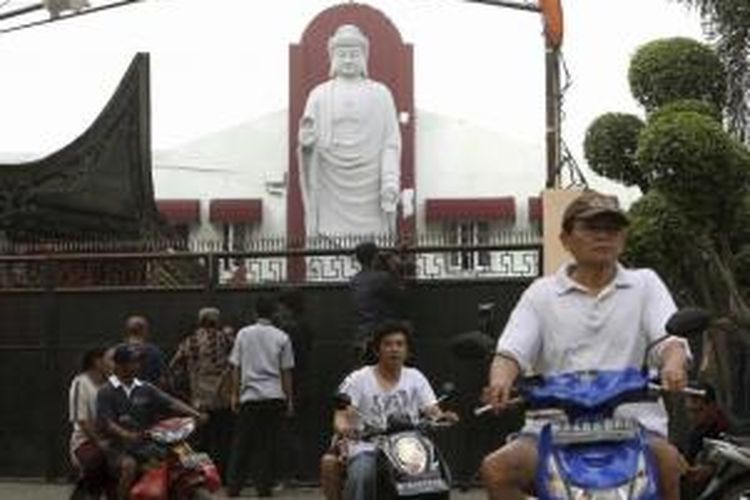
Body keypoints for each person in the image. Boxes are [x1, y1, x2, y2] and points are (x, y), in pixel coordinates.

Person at [480, 190, 691, 500]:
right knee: (496, 470)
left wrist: (673, 364)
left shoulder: (645, 284)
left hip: (634, 426)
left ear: (623, 239)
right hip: (551, 429)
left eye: (612, 229)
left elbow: (670, 340)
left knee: (670, 464)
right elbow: (511, 352)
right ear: (566, 239)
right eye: (591, 228)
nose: (603, 236)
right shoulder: (541, 294)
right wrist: (500, 381)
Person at [321, 320, 458, 500]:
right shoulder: (358, 379)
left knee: (439, 470)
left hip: (409, 446)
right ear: (377, 350)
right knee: (362, 474)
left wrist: (443, 417)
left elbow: (432, 410)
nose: (394, 349)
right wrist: (346, 428)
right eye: (388, 344)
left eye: (400, 344)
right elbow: (341, 414)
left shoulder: (416, 377)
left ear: (407, 350)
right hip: (368, 445)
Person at [297, 23, 401, 236]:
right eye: (342, 54)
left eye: (354, 54)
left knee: (374, 244)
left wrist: (390, 181)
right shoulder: (319, 95)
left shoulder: (381, 94)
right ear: (333, 57)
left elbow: (390, 142)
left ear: (364, 57)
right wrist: (307, 145)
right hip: (330, 187)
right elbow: (307, 140)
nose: (348, 60)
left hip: (370, 186)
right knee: (328, 247)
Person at [96, 344, 207, 500]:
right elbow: (107, 422)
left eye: (138, 361)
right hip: (119, 447)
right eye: (133, 361)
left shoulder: (145, 387)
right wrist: (126, 434)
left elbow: (171, 402)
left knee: (178, 460)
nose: (138, 365)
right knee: (130, 467)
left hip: (147, 445)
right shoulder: (106, 391)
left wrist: (196, 414)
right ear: (120, 365)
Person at [226, 296, 295, 498]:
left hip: (250, 397)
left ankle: (234, 487)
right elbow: (286, 372)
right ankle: (264, 488)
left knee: (242, 443)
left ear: (255, 313)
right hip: (274, 396)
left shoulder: (243, 334)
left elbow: (236, 367)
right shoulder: (282, 337)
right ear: (274, 313)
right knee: (267, 444)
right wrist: (289, 400)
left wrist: (234, 394)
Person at [169, 307, 235, 481]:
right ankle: (222, 476)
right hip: (222, 398)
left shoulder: (189, 341)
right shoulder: (225, 339)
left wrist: (183, 385)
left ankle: (200, 476)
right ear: (217, 320)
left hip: (198, 399)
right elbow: (237, 360)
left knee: (199, 441)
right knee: (222, 438)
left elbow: (174, 365)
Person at [349, 241, 405, 364]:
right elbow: (400, 293)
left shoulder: (354, 281)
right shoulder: (382, 278)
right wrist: (393, 268)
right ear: (375, 257)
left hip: (361, 335)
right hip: (380, 336)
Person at [68, 347, 112, 498]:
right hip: (85, 442)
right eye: (110, 359)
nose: (114, 363)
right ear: (97, 361)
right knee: (97, 462)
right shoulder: (80, 383)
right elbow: (81, 420)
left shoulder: (113, 383)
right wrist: (99, 441)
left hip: (113, 439)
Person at [122, 315, 170, 390]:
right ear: (144, 331)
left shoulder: (115, 352)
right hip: (149, 397)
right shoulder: (154, 352)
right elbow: (162, 380)